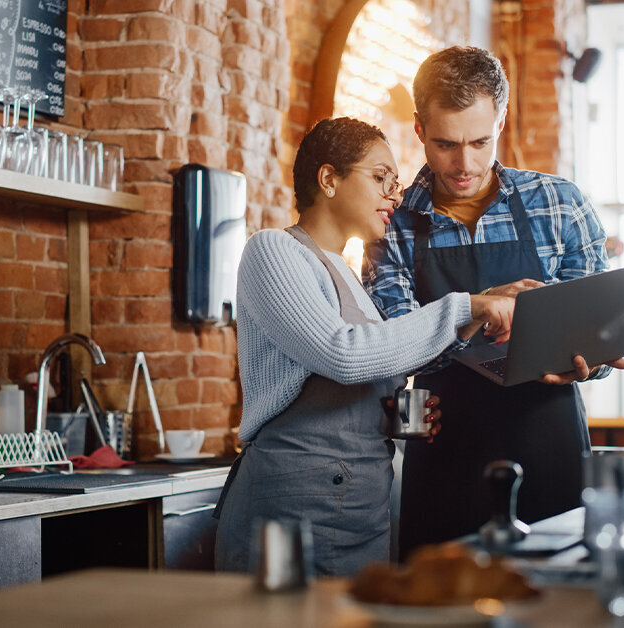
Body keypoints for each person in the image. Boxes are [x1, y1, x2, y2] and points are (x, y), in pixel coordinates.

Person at [213, 117, 515, 577]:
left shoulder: (348, 277)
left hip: (358, 510)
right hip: (294, 507)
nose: (394, 194)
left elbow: (357, 374)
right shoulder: (272, 250)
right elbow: (343, 354)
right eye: (380, 179)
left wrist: (395, 416)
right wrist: (464, 307)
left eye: (395, 183)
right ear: (329, 179)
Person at [363, 46, 624, 559]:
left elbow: (598, 330)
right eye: (445, 144)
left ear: (501, 120)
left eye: (480, 141)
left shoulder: (560, 204)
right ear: (419, 129)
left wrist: (590, 362)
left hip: (549, 443)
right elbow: (392, 346)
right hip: (446, 452)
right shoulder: (389, 223)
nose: (464, 163)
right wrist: (478, 308)